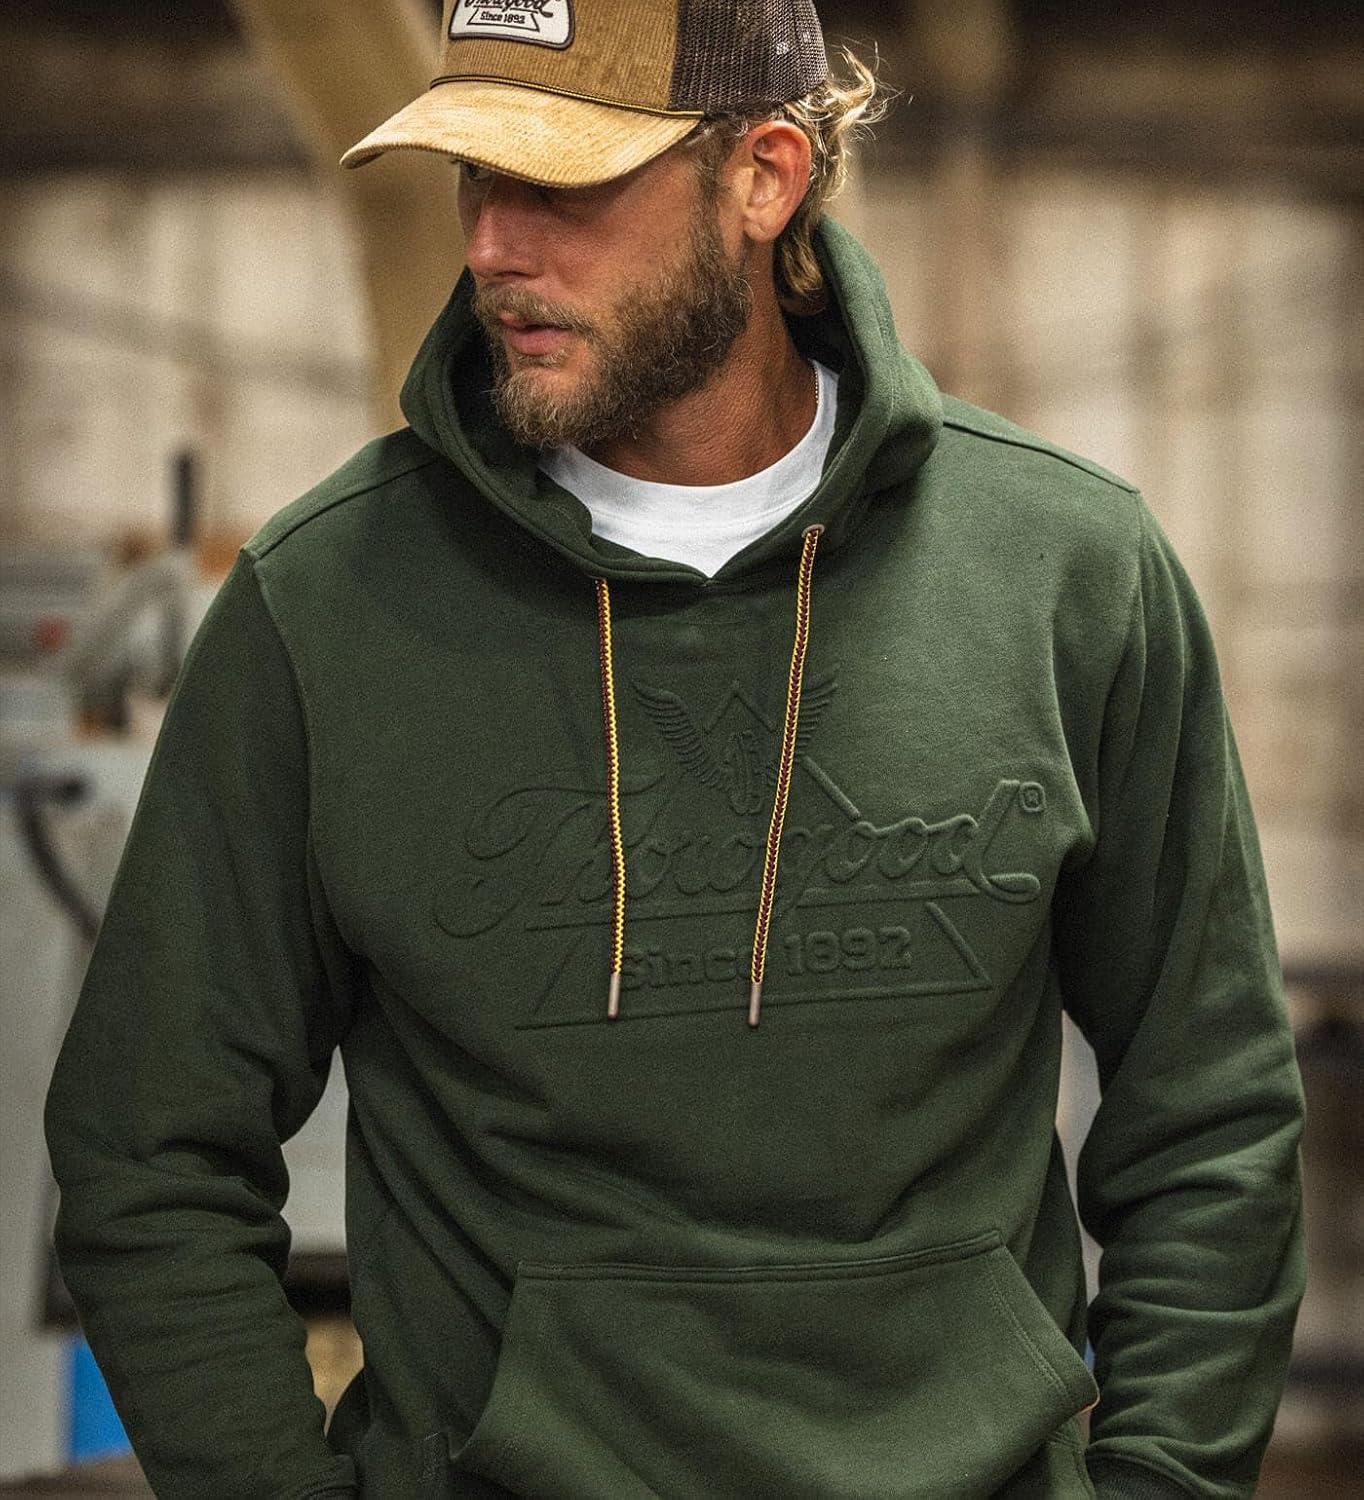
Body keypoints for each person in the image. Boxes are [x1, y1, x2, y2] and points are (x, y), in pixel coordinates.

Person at [44, 2, 1306, 1497]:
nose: (492, 245)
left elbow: (1212, 1113)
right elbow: (152, 1151)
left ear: (764, 177)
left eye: (561, 185)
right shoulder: (324, 606)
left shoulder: (1067, 572)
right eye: (475, 175)